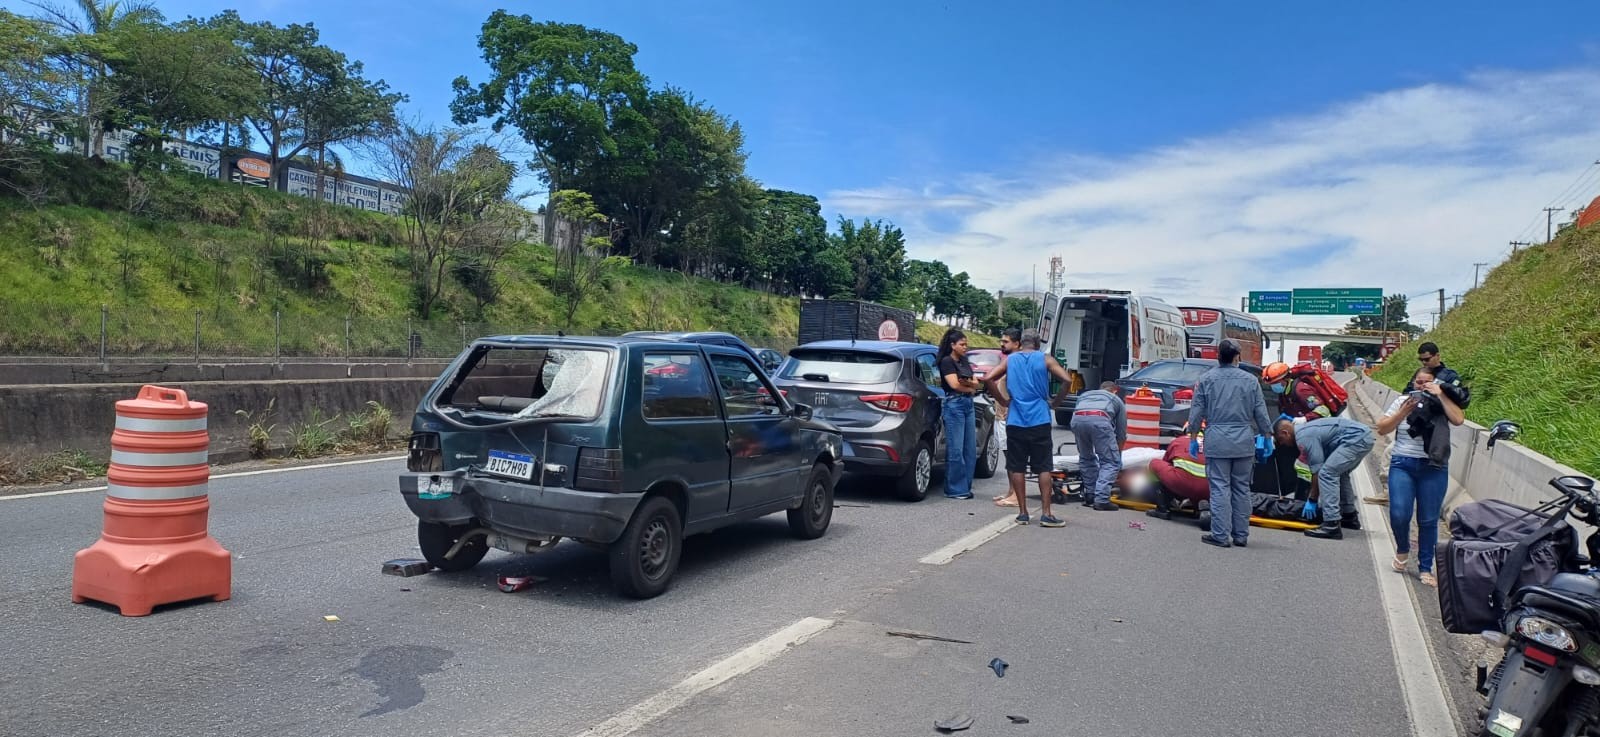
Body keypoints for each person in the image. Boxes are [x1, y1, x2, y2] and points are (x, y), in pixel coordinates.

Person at [1375, 368, 1465, 587]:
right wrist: (1403, 413)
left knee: (1428, 520)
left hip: (1433, 466)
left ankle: (1425, 567)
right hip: (1402, 463)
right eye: (1419, 382)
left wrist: (1441, 394)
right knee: (1399, 513)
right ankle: (1403, 548)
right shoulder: (1402, 401)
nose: (1422, 386)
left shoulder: (1441, 403)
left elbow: (1458, 419)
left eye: (1427, 382)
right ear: (1413, 383)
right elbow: (1382, 428)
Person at [1188, 338, 1275, 548]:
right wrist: (1267, 436)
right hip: (1244, 440)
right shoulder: (1250, 380)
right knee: (1241, 488)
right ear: (1237, 356)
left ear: (1218, 356)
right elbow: (1261, 412)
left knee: (1219, 487)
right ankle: (1241, 535)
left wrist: (1193, 436)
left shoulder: (1206, 379)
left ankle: (1220, 535)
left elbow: (1196, 412)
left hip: (1217, 439)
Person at [984, 329, 1074, 527]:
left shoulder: (1010, 360)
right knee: (1043, 467)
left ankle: (1023, 513)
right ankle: (1046, 514)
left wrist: (1003, 400)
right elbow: (1067, 380)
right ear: (1037, 343)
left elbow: (988, 378)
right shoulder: (1045, 359)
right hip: (1039, 418)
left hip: (1015, 419)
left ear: (1021, 343)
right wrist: (1056, 402)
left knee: (1017, 466)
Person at [1284, 416, 1377, 540]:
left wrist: (1312, 500)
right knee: (1340, 473)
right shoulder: (1305, 430)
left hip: (1355, 439)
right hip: (1363, 436)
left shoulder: (1303, 437)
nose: (1283, 444)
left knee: (1327, 473)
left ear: (1285, 433)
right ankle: (1349, 516)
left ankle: (1331, 524)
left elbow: (1317, 470)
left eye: (1281, 440)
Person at [1070, 381, 1127, 512]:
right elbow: (1121, 433)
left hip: (1077, 420)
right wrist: (1117, 456)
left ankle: (1090, 494)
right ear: (1115, 390)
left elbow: (1079, 412)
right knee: (1110, 462)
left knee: (1086, 457)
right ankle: (1101, 499)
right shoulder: (1115, 399)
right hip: (1099, 420)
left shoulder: (1085, 395)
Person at [937, 329, 980, 500]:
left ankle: (965, 486)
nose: (965, 347)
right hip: (954, 404)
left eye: (966, 344)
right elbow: (954, 384)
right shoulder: (947, 361)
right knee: (956, 448)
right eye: (962, 344)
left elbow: (976, 382)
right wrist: (970, 386)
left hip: (968, 403)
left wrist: (969, 384)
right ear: (952, 345)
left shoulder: (964, 360)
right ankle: (955, 489)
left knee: (969, 448)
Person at [989, 329, 1021, 505]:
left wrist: (1005, 403)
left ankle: (1016, 495)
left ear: (1017, 343)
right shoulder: (1008, 360)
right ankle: (1011, 491)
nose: (1002, 344)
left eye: (1006, 341)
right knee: (1007, 455)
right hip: (1001, 415)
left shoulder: (1014, 363)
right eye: (1002, 341)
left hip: (1008, 416)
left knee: (1012, 457)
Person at [1146, 436, 1209, 520]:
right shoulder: (1212, 444)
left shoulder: (1179, 440)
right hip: (1208, 489)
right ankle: (1199, 509)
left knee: (1154, 463)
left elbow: (1166, 463)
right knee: (1200, 481)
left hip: (1182, 483)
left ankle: (1162, 509)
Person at [1261, 361, 1333, 423]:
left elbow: (1324, 410)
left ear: (1285, 379)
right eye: (1271, 384)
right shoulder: (1284, 393)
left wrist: (1304, 419)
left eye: (1275, 383)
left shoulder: (1301, 390)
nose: (1273, 386)